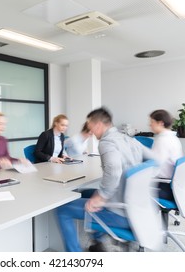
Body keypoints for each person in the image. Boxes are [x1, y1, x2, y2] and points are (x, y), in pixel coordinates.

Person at [56, 107, 156, 252]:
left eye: (90, 125)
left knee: (63, 209)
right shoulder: (128, 138)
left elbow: (114, 172)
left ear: (98, 125)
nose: (90, 130)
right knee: (85, 193)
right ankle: (97, 242)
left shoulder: (106, 142)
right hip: (139, 207)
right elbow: (153, 160)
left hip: (121, 211)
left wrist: (101, 197)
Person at [149, 109, 183, 200]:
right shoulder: (173, 138)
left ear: (160, 123)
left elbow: (155, 166)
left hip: (164, 188)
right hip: (173, 187)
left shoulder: (162, 140)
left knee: (130, 189)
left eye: (152, 122)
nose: (150, 125)